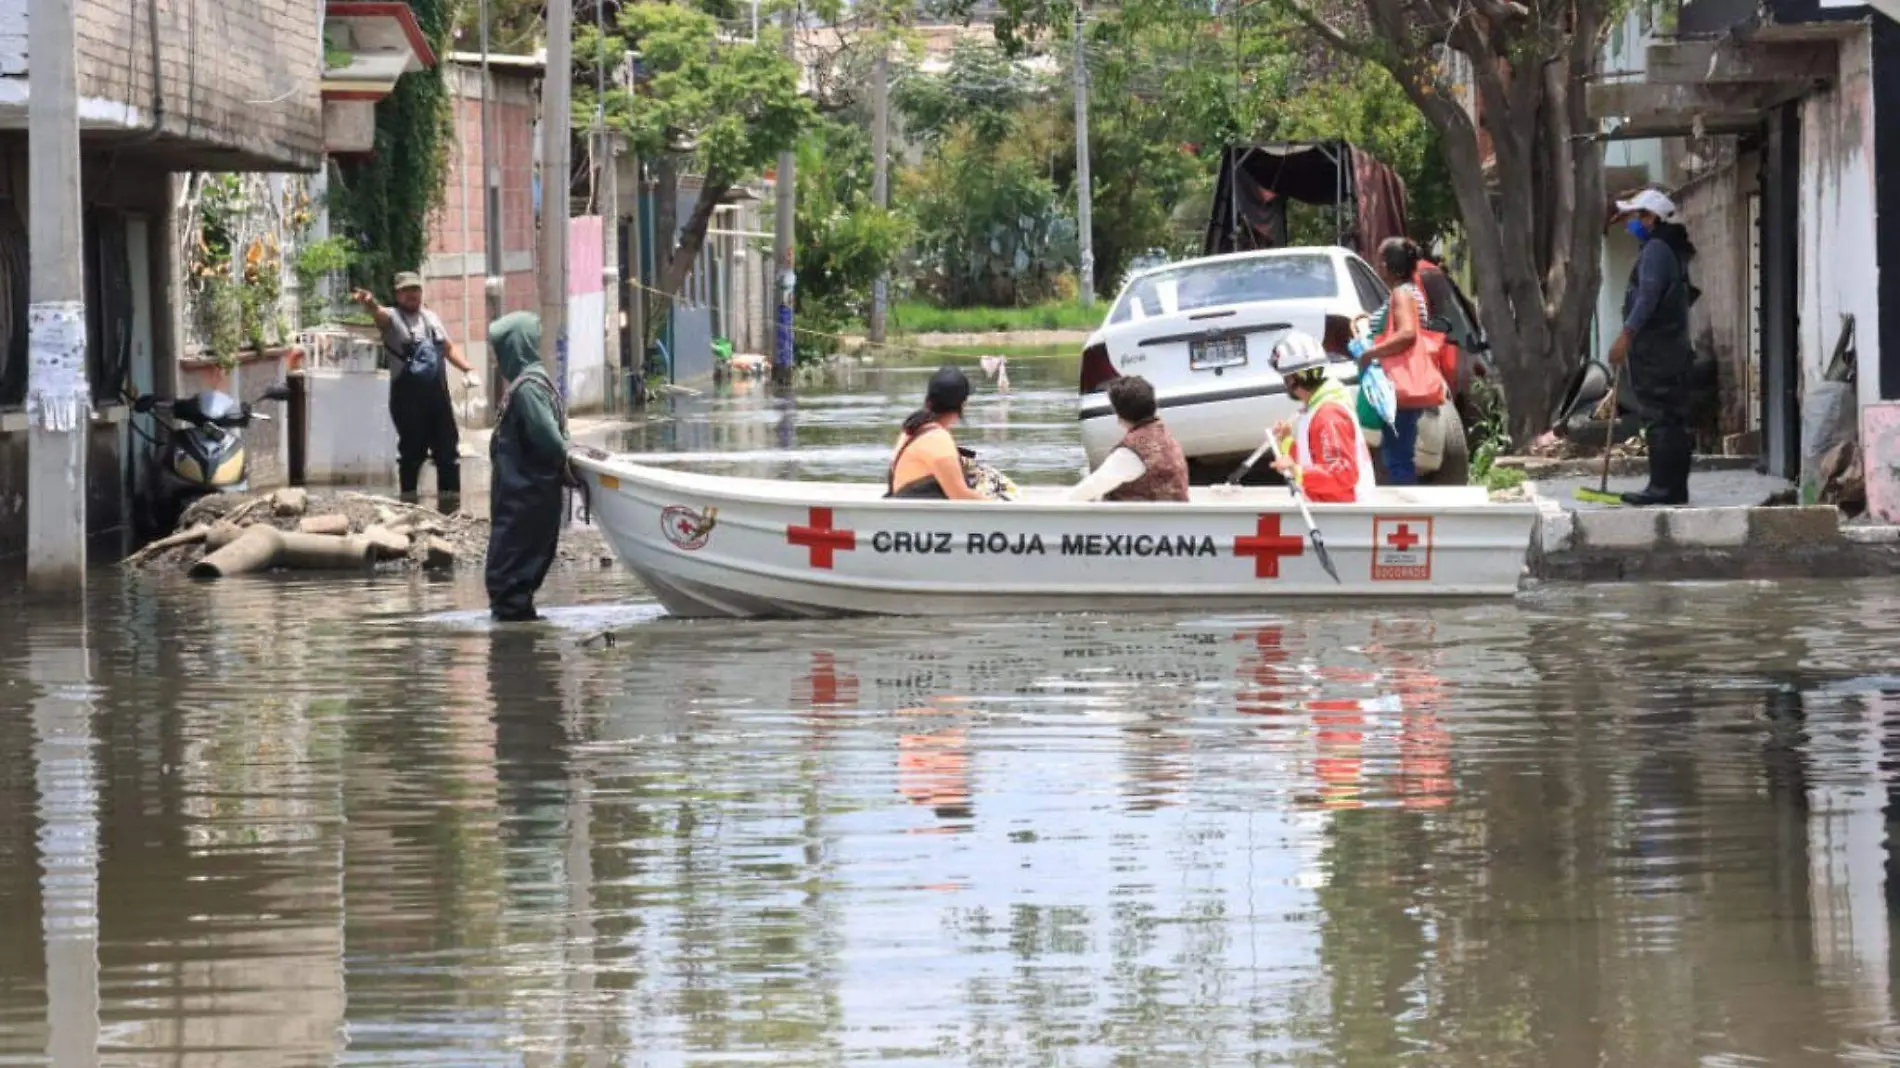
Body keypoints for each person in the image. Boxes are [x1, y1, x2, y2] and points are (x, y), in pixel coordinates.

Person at [354, 273, 480, 510]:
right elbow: (377, 314)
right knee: (412, 455)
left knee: (448, 455)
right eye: (406, 290)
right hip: (407, 401)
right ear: (397, 294)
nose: (412, 294)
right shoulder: (392, 319)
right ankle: (409, 507)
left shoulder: (431, 318)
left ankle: (450, 509)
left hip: (438, 399)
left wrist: (468, 368)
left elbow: (448, 348)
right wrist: (369, 302)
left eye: (416, 289)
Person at [1608, 188, 1698, 506]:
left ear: (1650, 218)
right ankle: (1673, 489)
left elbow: (1647, 298)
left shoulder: (1657, 251)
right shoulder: (1668, 249)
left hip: (1658, 351)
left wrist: (1625, 337)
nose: (1628, 224)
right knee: (1670, 419)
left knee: (1659, 418)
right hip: (1670, 349)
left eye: (1633, 217)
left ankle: (1662, 489)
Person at [484, 312, 570, 623]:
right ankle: (523, 655)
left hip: (525, 502)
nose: (496, 359)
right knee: (511, 582)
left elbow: (552, 442)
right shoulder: (534, 381)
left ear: (514, 346)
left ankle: (517, 660)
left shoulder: (528, 389)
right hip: (524, 501)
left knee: (507, 581)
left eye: (499, 349)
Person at [1352, 237, 1432, 484]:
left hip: (1399, 383)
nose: (1377, 266)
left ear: (1386, 266)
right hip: (1407, 381)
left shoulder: (1401, 294)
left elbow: (1407, 333)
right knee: (1399, 452)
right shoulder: (1412, 293)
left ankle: (1407, 516)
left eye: (1379, 261)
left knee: (1397, 459)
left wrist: (1369, 354)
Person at [1269, 331, 1375, 503]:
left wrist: (1298, 472)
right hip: (1331, 510)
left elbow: (1343, 474)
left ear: (1292, 379)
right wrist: (1287, 442)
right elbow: (1314, 459)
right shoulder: (1318, 408)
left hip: (1341, 516)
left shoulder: (1328, 415)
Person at [1068, 375, 1189, 502]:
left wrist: (1060, 502)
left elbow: (1089, 488)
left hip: (1145, 520)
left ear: (1119, 416)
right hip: (1172, 517)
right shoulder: (1167, 438)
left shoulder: (1131, 452)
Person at [887, 367, 986, 500]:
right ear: (963, 404)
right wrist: (995, 502)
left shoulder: (913, 428)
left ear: (929, 399)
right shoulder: (937, 440)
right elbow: (960, 497)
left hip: (906, 511)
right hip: (918, 516)